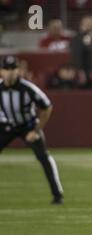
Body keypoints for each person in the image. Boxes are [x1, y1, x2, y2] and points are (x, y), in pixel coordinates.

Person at [0, 56, 63, 204]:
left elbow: (47, 106)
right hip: (5, 126)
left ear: (18, 70)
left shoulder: (27, 88)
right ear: (1, 71)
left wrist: (36, 130)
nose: (10, 73)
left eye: (13, 69)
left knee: (44, 157)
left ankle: (57, 194)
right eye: (7, 69)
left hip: (27, 126)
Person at [71, 15, 92, 89]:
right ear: (82, 24)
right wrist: (80, 71)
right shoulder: (78, 37)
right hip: (84, 71)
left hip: (91, 71)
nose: (91, 25)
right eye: (88, 23)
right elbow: (77, 55)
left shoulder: (90, 36)